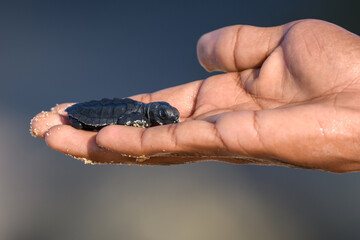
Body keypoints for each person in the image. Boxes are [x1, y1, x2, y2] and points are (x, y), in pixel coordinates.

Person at [30, 19, 360, 173]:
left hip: (108, 111)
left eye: (168, 115)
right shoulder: (135, 115)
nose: (169, 117)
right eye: (165, 116)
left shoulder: (140, 113)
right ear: (152, 114)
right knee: (111, 120)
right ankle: (73, 120)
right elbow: (121, 114)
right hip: (87, 113)